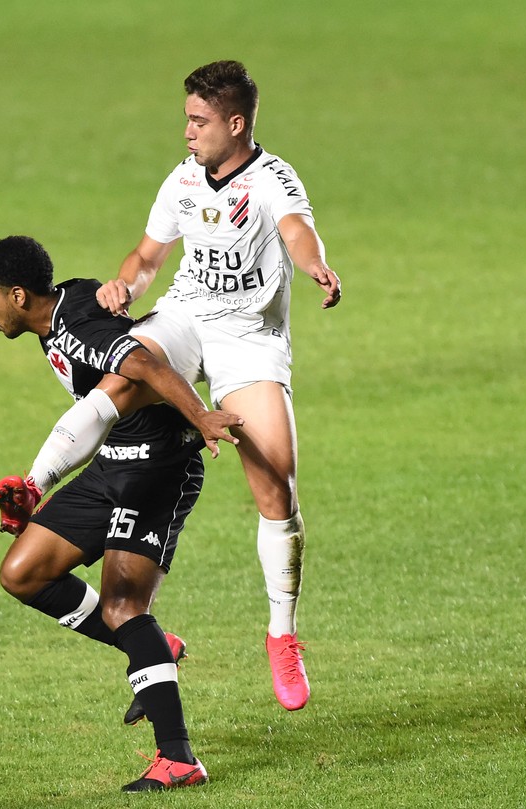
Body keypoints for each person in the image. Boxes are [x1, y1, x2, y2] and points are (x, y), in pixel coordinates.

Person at [95, 60, 342, 712]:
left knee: (276, 483)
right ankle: (43, 484)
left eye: (198, 121)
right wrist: (125, 286)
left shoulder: (272, 179)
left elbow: (296, 231)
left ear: (235, 124)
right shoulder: (182, 179)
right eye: (186, 118)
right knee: (120, 374)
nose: (187, 131)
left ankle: (282, 634)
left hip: (248, 338)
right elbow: (147, 257)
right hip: (187, 316)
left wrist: (316, 266)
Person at [0, 235, 240, 791]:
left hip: (157, 467)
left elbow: (142, 363)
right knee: (22, 573)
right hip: (111, 463)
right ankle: (150, 645)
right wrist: (33, 489)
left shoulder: (74, 328)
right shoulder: (65, 309)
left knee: (123, 605)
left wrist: (201, 417)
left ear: (18, 295)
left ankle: (178, 759)